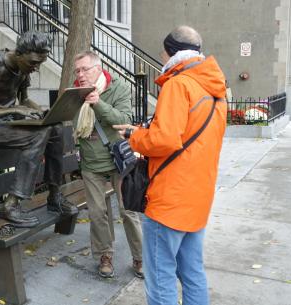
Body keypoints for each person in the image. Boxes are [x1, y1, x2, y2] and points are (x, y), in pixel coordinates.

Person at [114, 25, 227, 305]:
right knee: (192, 273)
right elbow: (189, 136)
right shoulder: (216, 90)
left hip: (169, 200)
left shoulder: (178, 84)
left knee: (160, 276)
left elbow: (164, 141)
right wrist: (146, 129)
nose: (161, 57)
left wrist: (134, 135)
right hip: (198, 197)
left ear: (171, 51)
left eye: (162, 51)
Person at [0, 30, 78, 227]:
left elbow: (24, 100)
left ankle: (55, 195)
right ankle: (11, 205)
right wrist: (14, 109)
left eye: (40, 63)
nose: (36, 68)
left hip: (6, 125)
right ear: (18, 53)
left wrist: (42, 112)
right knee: (37, 135)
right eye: (33, 63)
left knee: (54, 127)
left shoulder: (23, 69)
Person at [73, 51, 144, 279]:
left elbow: (123, 120)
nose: (80, 74)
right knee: (97, 213)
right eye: (77, 70)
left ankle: (140, 257)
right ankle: (104, 255)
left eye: (85, 69)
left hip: (118, 159)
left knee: (129, 210)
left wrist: (98, 103)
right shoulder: (74, 93)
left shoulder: (118, 88)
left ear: (98, 68)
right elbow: (69, 120)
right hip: (90, 161)